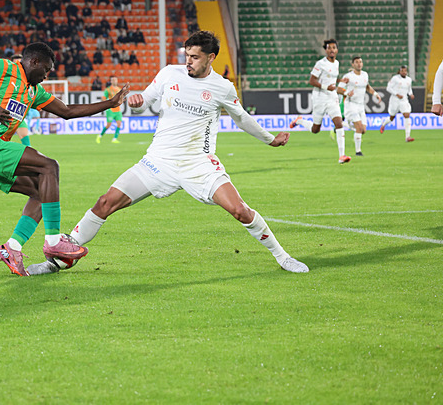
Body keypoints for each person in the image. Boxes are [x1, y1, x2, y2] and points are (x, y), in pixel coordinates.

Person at [26, 31, 307, 276]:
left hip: (198, 164)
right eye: (187, 55)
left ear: (211, 58)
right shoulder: (170, 73)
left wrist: (270, 140)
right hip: (157, 161)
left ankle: (283, 257)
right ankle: (57, 261)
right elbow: (145, 100)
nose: (188, 61)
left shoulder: (222, 87)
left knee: (239, 210)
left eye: (195, 57)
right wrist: (137, 102)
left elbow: (242, 118)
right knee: (104, 203)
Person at [0, 42, 129, 277]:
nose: (46, 76)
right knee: (49, 166)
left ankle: (12, 247)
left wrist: (110, 103)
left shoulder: (33, 91)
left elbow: (66, 111)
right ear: (33, 62)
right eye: (45, 70)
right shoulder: (1, 68)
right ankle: (54, 241)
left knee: (40, 192)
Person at [289, 39, 351, 164]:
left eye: (334, 47)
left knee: (339, 123)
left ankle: (342, 156)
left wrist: (340, 81)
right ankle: (300, 121)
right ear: (326, 50)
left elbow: (331, 78)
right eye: (329, 48)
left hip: (332, 97)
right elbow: (312, 81)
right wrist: (325, 87)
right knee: (315, 129)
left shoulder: (337, 63)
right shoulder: (320, 64)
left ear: (337, 50)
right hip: (320, 98)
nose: (332, 50)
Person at [338, 56, 381, 156]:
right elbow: (338, 89)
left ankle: (344, 124)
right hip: (351, 105)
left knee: (363, 130)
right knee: (359, 128)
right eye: (356, 62)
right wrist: (346, 93)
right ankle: (358, 151)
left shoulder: (365, 75)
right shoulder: (348, 76)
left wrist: (375, 94)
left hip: (361, 106)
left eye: (360, 62)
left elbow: (367, 86)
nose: (359, 64)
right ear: (352, 64)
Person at [378, 65, 415, 141]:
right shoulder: (395, 78)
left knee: (407, 115)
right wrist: (396, 94)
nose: (404, 72)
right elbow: (388, 88)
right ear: (399, 71)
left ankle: (407, 136)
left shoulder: (409, 79)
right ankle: (383, 124)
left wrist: (411, 94)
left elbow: (409, 89)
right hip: (394, 100)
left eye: (405, 71)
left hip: (404, 100)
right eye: (402, 71)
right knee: (392, 117)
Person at [96, 75, 123, 144]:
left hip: (118, 110)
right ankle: (100, 136)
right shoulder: (108, 90)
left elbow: (121, 98)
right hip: (111, 110)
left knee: (119, 124)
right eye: (113, 80)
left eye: (115, 80)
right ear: (111, 81)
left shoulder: (119, 89)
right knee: (108, 125)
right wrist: (106, 104)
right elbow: (103, 98)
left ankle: (114, 139)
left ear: (117, 81)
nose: (114, 81)